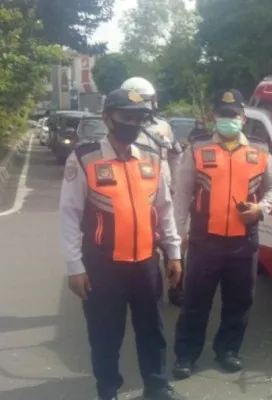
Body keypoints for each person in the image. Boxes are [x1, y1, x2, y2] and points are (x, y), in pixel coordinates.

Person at [59, 88, 185, 400]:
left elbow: (165, 209)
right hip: (102, 265)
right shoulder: (84, 158)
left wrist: (174, 253)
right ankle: (108, 389)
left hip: (145, 263)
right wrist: (75, 267)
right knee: (105, 334)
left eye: (140, 118)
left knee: (152, 331)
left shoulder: (152, 160)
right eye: (126, 116)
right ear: (107, 118)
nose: (133, 123)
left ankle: (156, 385)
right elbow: (69, 215)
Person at [172, 89, 272, 379]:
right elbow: (181, 193)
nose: (228, 120)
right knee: (196, 300)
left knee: (240, 301)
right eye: (222, 115)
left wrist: (260, 208)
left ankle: (227, 350)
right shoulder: (196, 148)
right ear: (213, 117)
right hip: (204, 240)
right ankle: (186, 355)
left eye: (233, 116)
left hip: (244, 241)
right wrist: (178, 233)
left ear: (243, 118)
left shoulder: (260, 150)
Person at [120, 77, 186, 307]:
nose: (147, 105)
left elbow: (176, 154)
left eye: (148, 100)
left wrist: (177, 185)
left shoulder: (163, 127)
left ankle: (176, 286)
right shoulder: (122, 130)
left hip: (163, 191)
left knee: (171, 241)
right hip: (135, 194)